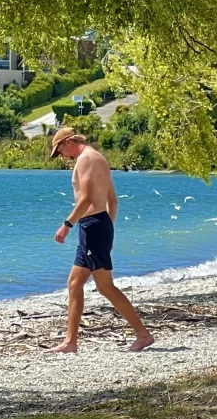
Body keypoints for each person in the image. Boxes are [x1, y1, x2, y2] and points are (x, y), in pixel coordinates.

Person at [44, 126, 155, 353]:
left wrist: (66, 225)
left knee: (105, 286)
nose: (62, 157)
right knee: (74, 284)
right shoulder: (99, 159)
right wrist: (108, 231)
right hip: (97, 226)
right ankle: (70, 342)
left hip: (92, 226)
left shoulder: (85, 159)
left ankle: (143, 335)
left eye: (61, 151)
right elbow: (112, 202)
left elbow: (85, 199)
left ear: (68, 142)